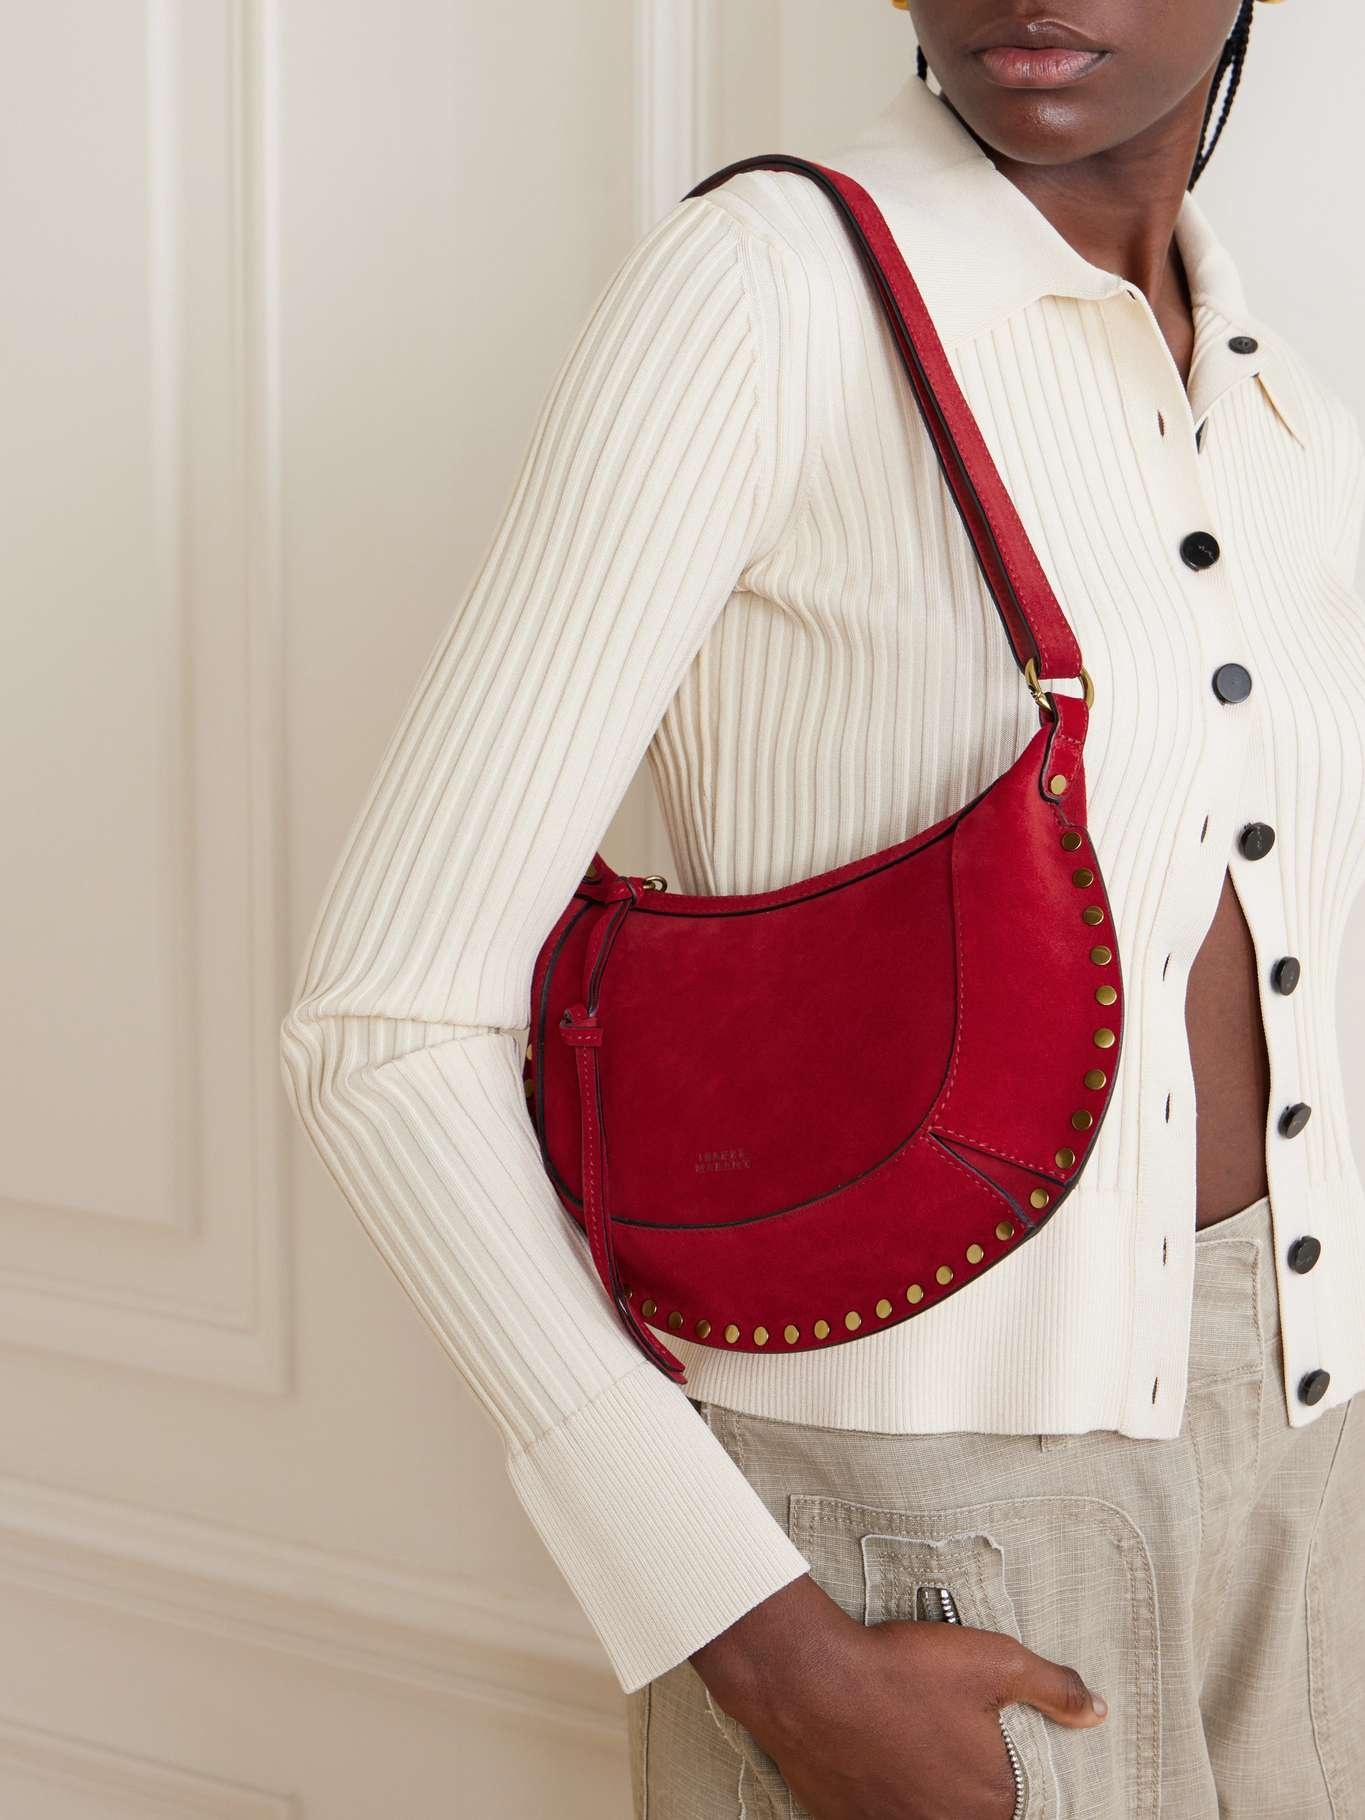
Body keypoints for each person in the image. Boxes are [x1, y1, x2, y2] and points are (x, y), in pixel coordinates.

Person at [278, 2, 1365, 1813]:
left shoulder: (1276, 405)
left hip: (1307, 1473)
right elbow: (387, 1025)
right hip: (912, 1534)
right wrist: (752, 1636)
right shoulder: (766, 291)